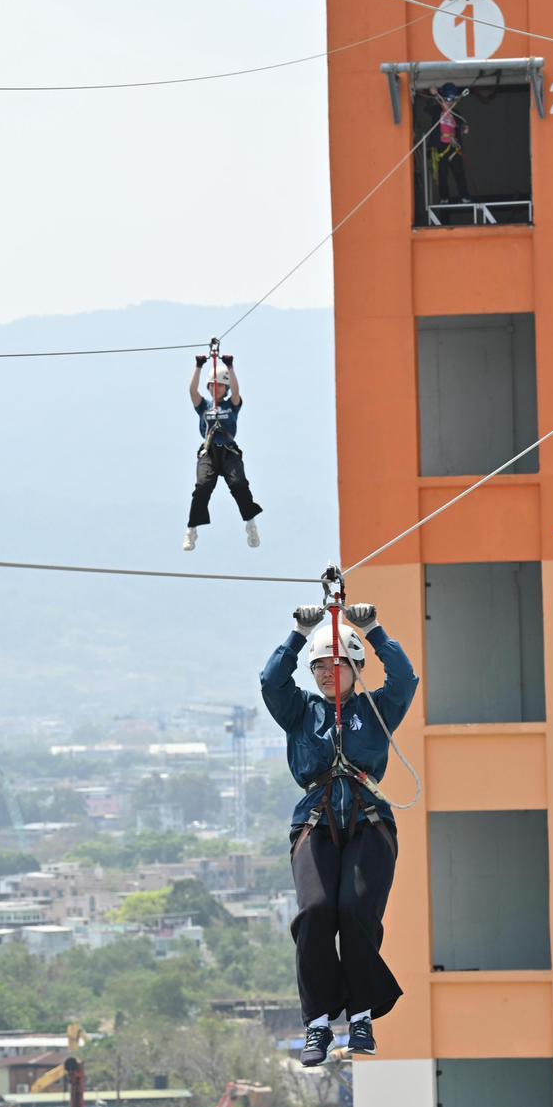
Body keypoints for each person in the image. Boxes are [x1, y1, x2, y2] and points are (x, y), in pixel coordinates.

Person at [260, 602, 419, 1065]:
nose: (328, 674)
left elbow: (405, 679)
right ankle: (317, 1025)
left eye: (336, 666)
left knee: (355, 910)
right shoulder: (300, 711)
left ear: (354, 667)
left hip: (369, 821)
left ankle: (362, 1015)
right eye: (319, 668)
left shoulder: (376, 709)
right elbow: (272, 682)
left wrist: (373, 629)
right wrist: (296, 635)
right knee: (315, 911)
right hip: (315, 820)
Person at [183, 354, 262, 552]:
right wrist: (199, 366)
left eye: (219, 385)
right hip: (209, 452)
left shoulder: (231, 404)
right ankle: (191, 530)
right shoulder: (204, 406)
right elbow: (192, 390)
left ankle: (251, 525)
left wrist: (230, 366)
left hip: (228, 452)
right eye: (212, 385)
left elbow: (236, 390)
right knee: (202, 487)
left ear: (225, 388)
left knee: (239, 485)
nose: (214, 388)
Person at [426, 82, 470, 206]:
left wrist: (464, 128)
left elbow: (462, 124)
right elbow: (427, 107)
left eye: (453, 100)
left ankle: (465, 196)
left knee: (459, 172)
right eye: (448, 99)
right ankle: (444, 197)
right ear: (443, 97)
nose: (450, 102)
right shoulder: (437, 109)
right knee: (442, 173)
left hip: (453, 145)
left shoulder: (456, 113)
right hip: (441, 145)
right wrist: (433, 94)